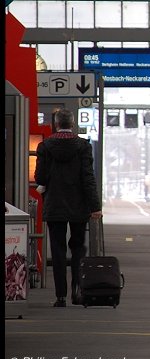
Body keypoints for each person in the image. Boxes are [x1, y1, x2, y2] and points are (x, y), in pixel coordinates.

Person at [34, 108, 103, 307]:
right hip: (78, 206)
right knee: (78, 249)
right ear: (72, 124)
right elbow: (88, 178)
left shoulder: (45, 146)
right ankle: (77, 291)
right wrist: (95, 207)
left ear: (56, 124)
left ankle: (60, 296)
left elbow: (40, 177)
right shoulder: (83, 146)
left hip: (54, 205)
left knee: (57, 250)